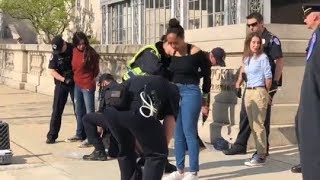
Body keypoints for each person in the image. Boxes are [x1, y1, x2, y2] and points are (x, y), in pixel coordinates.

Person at [82, 75, 180, 180]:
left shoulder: (141, 79)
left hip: (111, 112)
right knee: (156, 155)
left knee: (126, 151)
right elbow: (170, 122)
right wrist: (160, 147)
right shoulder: (174, 90)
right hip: (137, 112)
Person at [223, 12, 284, 156]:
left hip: (265, 85)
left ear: (262, 23)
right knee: (245, 114)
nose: (251, 27)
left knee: (262, 118)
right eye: (249, 25)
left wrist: (274, 83)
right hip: (251, 84)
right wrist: (239, 81)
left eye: (254, 24)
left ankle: (263, 149)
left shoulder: (272, 40)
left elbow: (279, 62)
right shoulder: (251, 39)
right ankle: (240, 145)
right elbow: (245, 60)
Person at [163, 18, 211, 180]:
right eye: (170, 43)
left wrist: (205, 99)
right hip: (175, 92)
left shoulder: (196, 53)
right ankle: (180, 170)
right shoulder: (170, 52)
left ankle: (194, 172)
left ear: (183, 38)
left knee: (189, 131)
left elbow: (207, 75)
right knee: (177, 133)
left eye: (175, 42)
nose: (173, 46)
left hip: (191, 92)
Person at [235, 32, 272, 166]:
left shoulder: (263, 58)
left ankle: (261, 155)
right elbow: (243, 71)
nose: (256, 45)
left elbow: (268, 77)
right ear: (249, 44)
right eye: (253, 42)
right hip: (248, 91)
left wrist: (266, 94)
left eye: (258, 43)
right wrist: (238, 83)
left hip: (259, 91)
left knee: (259, 125)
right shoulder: (247, 58)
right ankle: (258, 152)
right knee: (252, 124)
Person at [297, 4, 320, 179]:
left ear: (316, 17)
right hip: (310, 100)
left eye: (307, 16)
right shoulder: (315, 37)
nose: (304, 19)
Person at [67, 31, 100, 147]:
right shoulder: (74, 51)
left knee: (89, 112)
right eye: (79, 44)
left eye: (83, 43)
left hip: (87, 85)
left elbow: (96, 70)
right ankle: (79, 133)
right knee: (78, 111)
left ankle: (91, 138)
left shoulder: (91, 53)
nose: (82, 46)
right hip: (77, 84)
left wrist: (90, 79)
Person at [46, 35, 75, 144]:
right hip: (61, 83)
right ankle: (52, 135)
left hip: (74, 82)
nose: (58, 52)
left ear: (64, 44)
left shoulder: (73, 49)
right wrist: (63, 79)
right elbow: (52, 71)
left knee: (79, 109)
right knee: (57, 110)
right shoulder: (55, 54)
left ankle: (82, 134)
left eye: (60, 49)